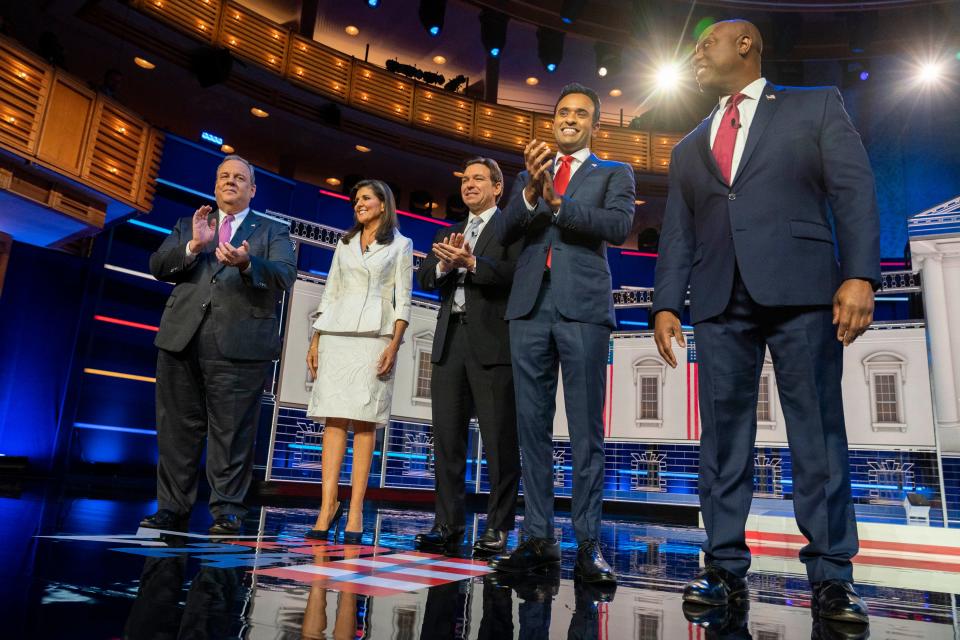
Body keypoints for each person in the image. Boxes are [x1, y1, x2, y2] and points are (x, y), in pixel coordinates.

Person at [652, 19, 879, 625]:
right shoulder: (687, 146)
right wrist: (666, 302)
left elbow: (853, 190)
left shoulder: (815, 106)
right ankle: (723, 566)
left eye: (706, 43)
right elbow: (677, 232)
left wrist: (860, 274)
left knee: (817, 434)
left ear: (746, 44)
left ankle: (832, 576)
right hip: (721, 298)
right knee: (722, 440)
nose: (697, 53)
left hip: (803, 290)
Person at [491, 83, 635, 584]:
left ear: (596, 125)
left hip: (583, 310)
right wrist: (532, 192)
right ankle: (537, 539)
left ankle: (588, 544)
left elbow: (616, 226)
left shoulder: (615, 172)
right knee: (530, 428)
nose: (569, 119)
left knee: (584, 432)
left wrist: (556, 202)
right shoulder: (528, 175)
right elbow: (505, 230)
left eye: (580, 113)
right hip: (529, 307)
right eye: (562, 111)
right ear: (551, 122)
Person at [143, 155, 296, 535]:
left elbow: (285, 275)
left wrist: (247, 263)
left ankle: (227, 511)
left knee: (232, 433)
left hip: (240, 345)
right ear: (215, 186)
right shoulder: (189, 225)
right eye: (224, 176)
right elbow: (160, 266)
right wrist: (194, 246)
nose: (231, 181)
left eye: (239, 177)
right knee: (177, 429)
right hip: (182, 340)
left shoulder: (273, 231)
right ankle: (171, 509)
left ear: (252, 189)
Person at [414, 157, 522, 556]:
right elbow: (425, 278)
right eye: (465, 179)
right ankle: (447, 524)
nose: (470, 185)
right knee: (447, 441)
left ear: (497, 188)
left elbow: (517, 274)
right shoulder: (450, 231)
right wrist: (444, 262)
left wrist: (473, 262)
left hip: (494, 345)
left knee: (499, 443)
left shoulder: (512, 228)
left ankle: (497, 527)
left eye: (479, 179)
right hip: (450, 343)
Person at [305, 179, 413, 543]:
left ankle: (354, 511)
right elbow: (330, 290)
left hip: (375, 337)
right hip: (335, 335)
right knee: (333, 420)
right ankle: (327, 505)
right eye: (356, 200)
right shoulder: (345, 242)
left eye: (366, 198)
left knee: (365, 423)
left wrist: (394, 344)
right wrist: (316, 338)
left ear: (384, 204)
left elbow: (403, 300)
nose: (359, 203)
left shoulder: (401, 245)